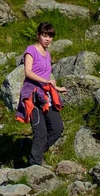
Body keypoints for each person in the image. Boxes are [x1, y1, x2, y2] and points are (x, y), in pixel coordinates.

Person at [16, 22, 67, 166]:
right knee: (40, 133)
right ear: (38, 35)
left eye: (50, 36)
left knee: (57, 128)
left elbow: (47, 75)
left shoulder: (48, 54)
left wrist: (56, 87)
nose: (47, 39)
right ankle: (35, 164)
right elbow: (28, 72)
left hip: (46, 96)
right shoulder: (31, 50)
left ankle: (37, 152)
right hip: (32, 95)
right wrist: (46, 81)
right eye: (45, 35)